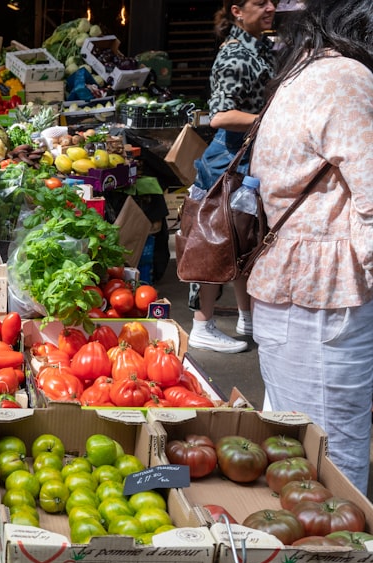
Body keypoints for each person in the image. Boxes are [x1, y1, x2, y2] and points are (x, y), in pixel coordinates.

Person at [249, 0, 373, 494]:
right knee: (332, 459)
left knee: (292, 450)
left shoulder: (303, 72)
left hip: (291, 287)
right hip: (326, 298)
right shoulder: (347, 78)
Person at [186, 0, 276, 354]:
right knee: (216, 240)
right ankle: (202, 326)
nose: (270, 7)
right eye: (260, 2)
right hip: (228, 159)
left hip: (249, 158)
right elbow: (220, 116)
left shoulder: (263, 47)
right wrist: (270, 120)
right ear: (237, 10)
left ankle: (247, 317)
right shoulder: (235, 55)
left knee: (244, 237)